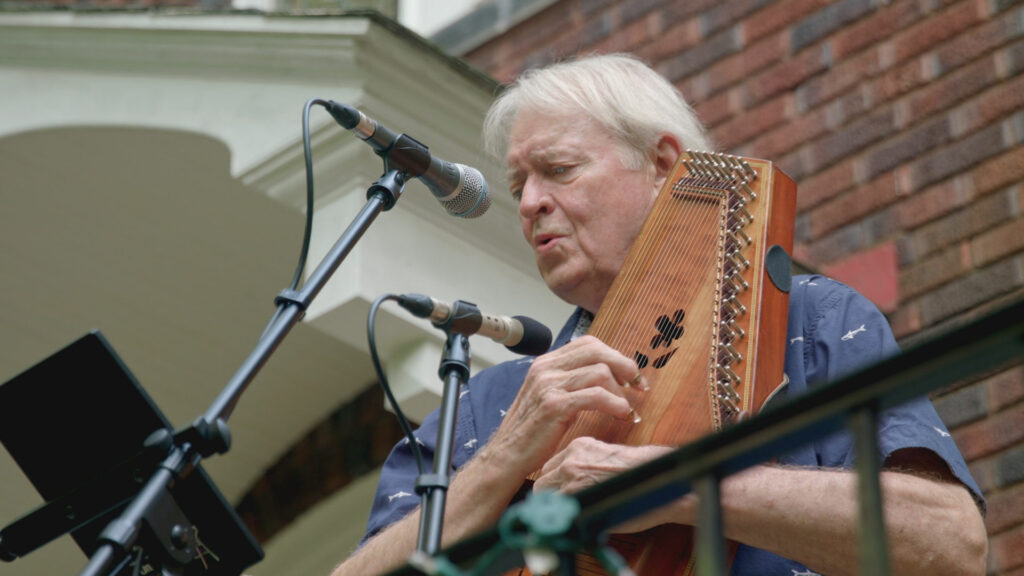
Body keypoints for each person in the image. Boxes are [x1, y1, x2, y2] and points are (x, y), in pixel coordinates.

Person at [332, 54, 986, 576]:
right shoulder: (487, 404)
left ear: (665, 166)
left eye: (558, 170)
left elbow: (949, 545)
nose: (530, 202)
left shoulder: (810, 319)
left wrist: (673, 486)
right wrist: (505, 456)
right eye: (517, 187)